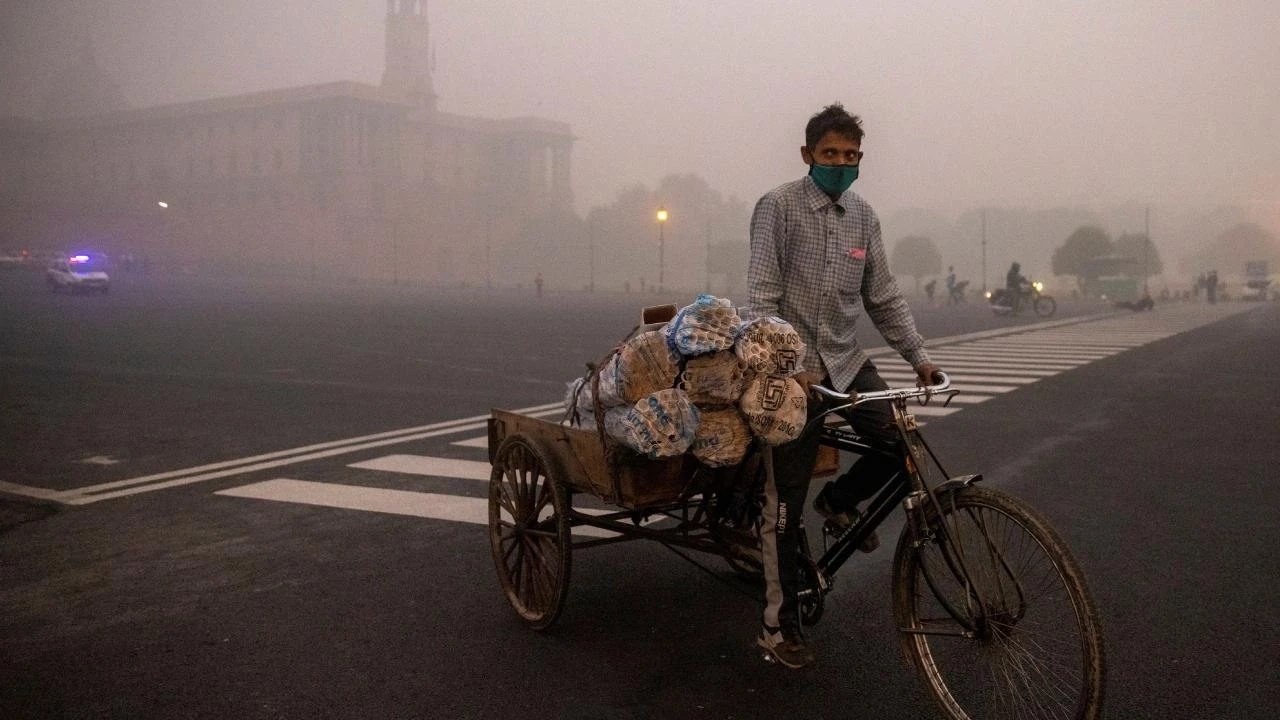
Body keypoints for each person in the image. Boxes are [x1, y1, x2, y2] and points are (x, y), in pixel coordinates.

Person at [745, 103, 941, 669]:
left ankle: (841, 500)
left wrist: (920, 359)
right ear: (807, 155)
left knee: (901, 444)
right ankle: (776, 626)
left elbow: (883, 296)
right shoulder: (778, 207)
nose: (841, 163)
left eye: (851, 156)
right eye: (830, 154)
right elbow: (761, 297)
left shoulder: (863, 217)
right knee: (784, 501)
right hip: (789, 370)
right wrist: (793, 365)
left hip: (847, 361)